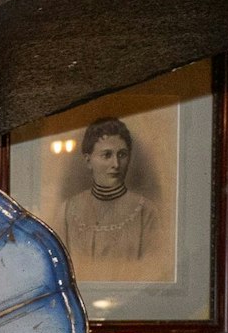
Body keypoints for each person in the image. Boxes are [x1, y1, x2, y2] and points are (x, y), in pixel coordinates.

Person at [60, 117, 163, 280]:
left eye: (122, 155)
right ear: (88, 160)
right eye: (106, 155)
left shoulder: (146, 211)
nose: (116, 164)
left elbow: (154, 276)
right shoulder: (67, 210)